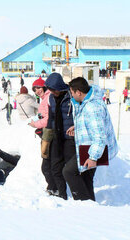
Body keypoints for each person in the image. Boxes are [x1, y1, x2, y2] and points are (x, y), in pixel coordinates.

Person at [65, 77, 118, 201]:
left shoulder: (92, 107)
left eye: (72, 92)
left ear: (79, 92)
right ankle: (91, 207)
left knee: (68, 172)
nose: (71, 96)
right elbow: (91, 124)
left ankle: (84, 204)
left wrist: (93, 157)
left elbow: (100, 136)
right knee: (85, 178)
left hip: (92, 149)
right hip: (88, 146)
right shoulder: (87, 102)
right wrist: (77, 127)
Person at [45, 72, 75, 200]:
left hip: (70, 138)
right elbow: (51, 117)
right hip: (56, 136)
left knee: (70, 170)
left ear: (59, 87)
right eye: (50, 89)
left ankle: (77, 194)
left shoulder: (71, 96)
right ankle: (62, 195)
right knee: (55, 168)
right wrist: (46, 133)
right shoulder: (51, 98)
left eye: (54, 89)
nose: (52, 92)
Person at [28, 78, 57, 196]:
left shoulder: (49, 97)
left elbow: (49, 118)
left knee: (47, 165)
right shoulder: (45, 98)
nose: (37, 91)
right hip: (46, 133)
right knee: (47, 164)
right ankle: (52, 187)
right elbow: (44, 115)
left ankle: (54, 188)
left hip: (50, 135)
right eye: (35, 89)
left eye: (39, 88)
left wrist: (35, 124)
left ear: (44, 87)